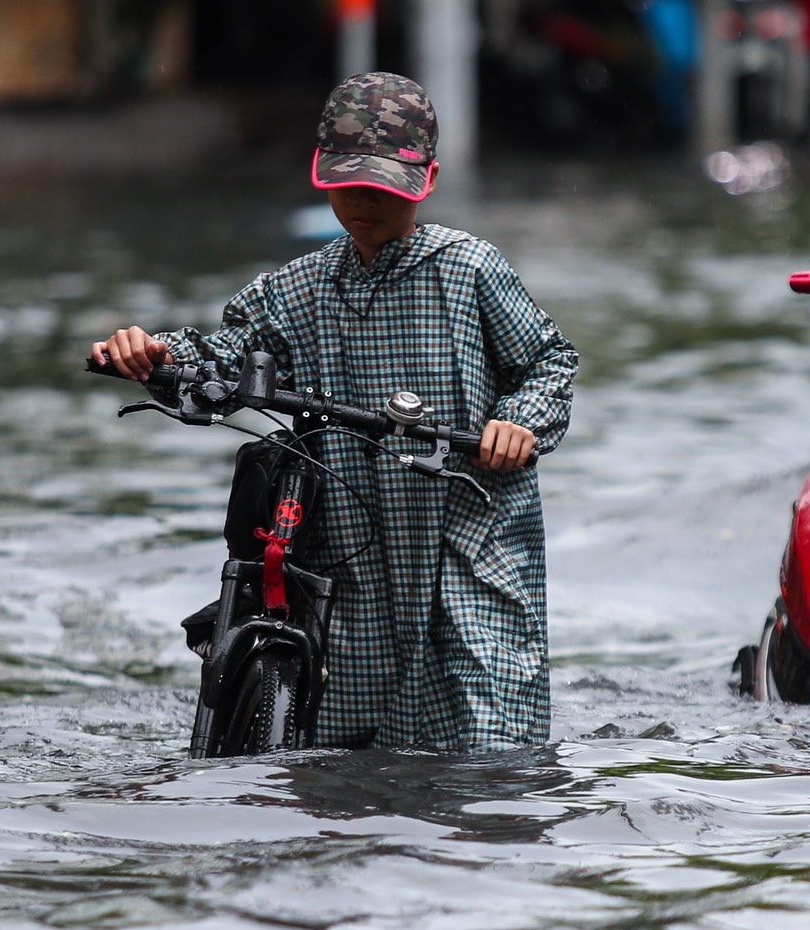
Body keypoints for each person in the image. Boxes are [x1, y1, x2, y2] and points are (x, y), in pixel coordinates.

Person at [88, 73, 578, 752]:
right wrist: (157, 355)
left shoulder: (471, 272)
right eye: (350, 183)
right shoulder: (296, 289)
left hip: (468, 552)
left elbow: (549, 362)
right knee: (346, 762)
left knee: (493, 762)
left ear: (427, 180)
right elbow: (226, 353)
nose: (364, 201)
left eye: (384, 187)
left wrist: (519, 423)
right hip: (352, 560)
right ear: (322, 176)